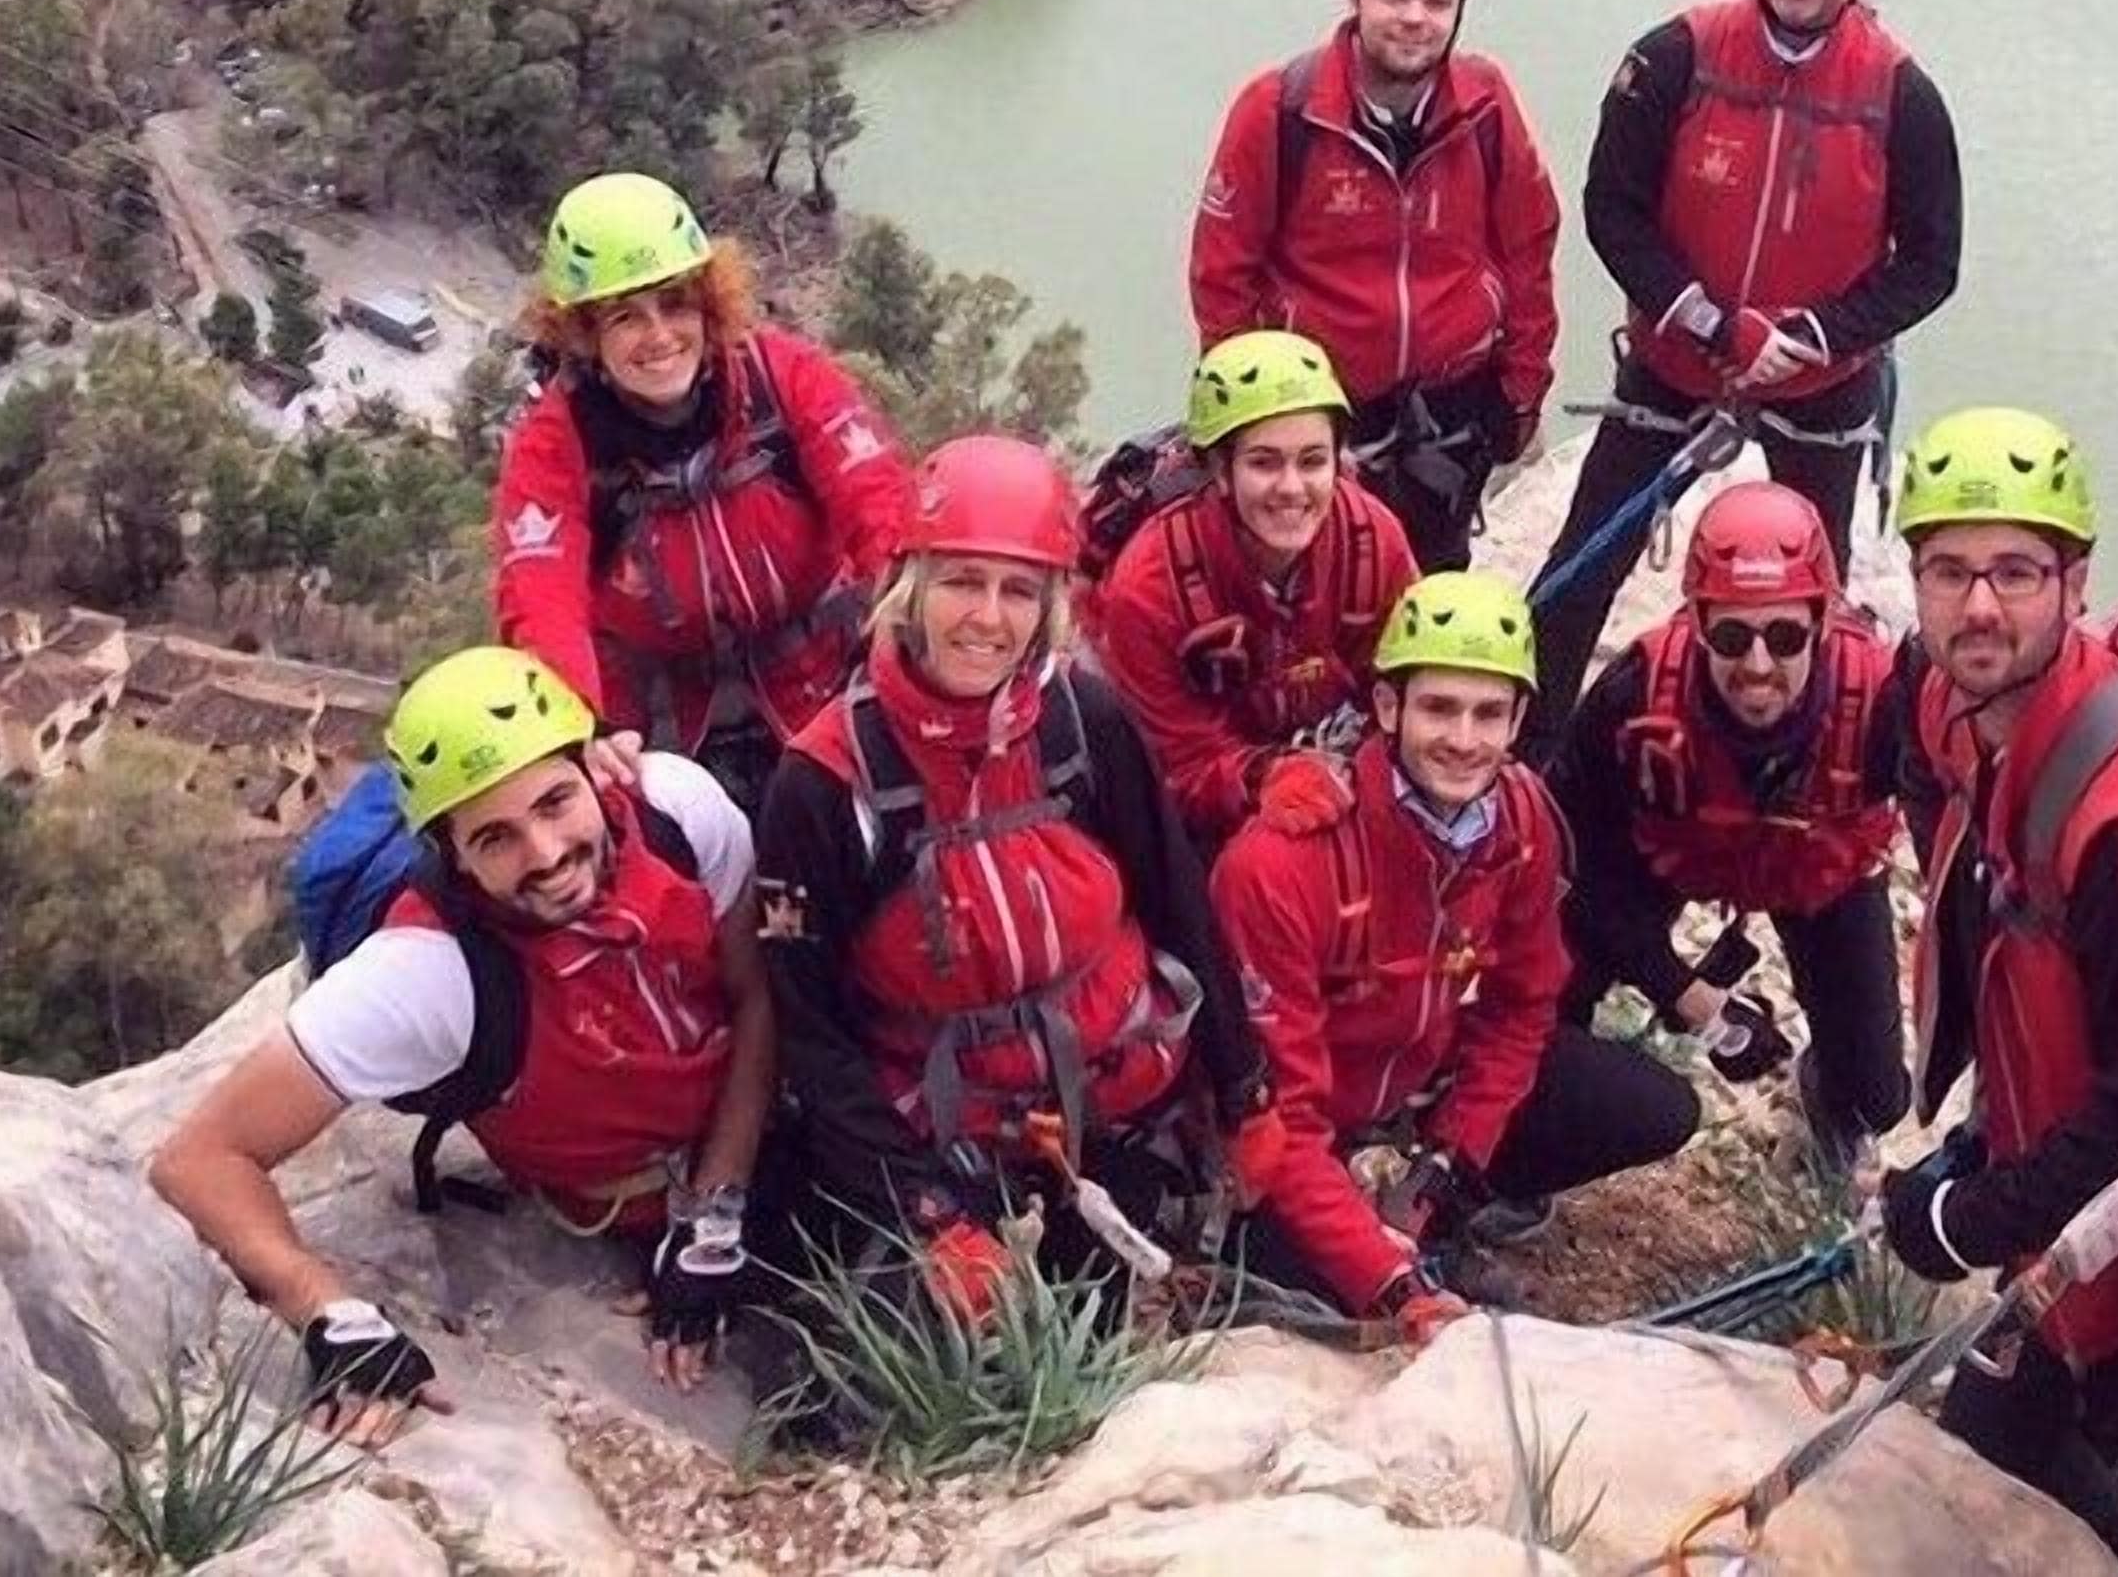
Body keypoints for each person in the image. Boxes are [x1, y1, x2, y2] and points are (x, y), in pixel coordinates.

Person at [150, 648, 775, 1445]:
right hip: (624, 1207)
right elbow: (199, 1158)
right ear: (451, 852)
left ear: (595, 764)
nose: (546, 855)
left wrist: (716, 1210)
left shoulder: (680, 811)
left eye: (555, 802)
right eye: (496, 839)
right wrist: (330, 1312)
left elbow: (756, 996)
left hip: (753, 1134)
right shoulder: (429, 973)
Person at [754, 435, 1283, 1319]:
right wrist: (920, 1210)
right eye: (961, 581)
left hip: (1113, 1110)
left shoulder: (1082, 719)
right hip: (945, 1140)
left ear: (1050, 608)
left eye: (1018, 590)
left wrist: (1242, 1087)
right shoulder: (824, 783)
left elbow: (1173, 892)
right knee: (922, 1366)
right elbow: (811, 1028)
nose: (988, 618)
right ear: (910, 588)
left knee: (1126, 1314)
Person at [1876, 408, 2118, 1577]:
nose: (1977, 607)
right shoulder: (1947, 704)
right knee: (2052, 1428)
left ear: (2074, 583)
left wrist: (1966, 1217)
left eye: (2014, 572)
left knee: (1996, 1451)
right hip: (2045, 1142)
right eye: (1949, 571)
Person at [1530, 0, 1964, 722]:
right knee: (1581, 569)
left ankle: (1808, 784)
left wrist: (1811, 337)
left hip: (1822, 383)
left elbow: (1930, 262)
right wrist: (1710, 324)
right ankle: (1524, 760)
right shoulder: (1674, 58)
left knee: (1815, 600)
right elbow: (1613, 208)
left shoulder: (1900, 93)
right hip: (1678, 364)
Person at [1212, 571, 1699, 1335]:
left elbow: (1523, 1008)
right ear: (1386, 707)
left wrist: (1446, 1164)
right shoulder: (1280, 862)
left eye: (1488, 714)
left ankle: (1436, 1219)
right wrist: (1395, 1287)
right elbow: (1285, 1116)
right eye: (1438, 708)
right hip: (1304, 1127)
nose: (1464, 740)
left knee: (1652, 1105)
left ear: (1518, 723)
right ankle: (1386, 1249)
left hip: (1412, 1089)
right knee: (1314, 1282)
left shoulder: (1522, 819)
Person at [494, 172, 911, 810]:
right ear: (584, 336)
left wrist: (911, 614)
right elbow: (539, 592)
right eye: (625, 317)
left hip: (821, 682)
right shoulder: (556, 443)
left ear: (709, 306)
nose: (659, 335)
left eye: (676, 304)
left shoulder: (781, 377)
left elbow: (877, 495)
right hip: (663, 729)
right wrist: (579, 720)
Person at [1185, 0, 1564, 570]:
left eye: (1436, 1)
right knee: (1312, 582)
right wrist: (1246, 408)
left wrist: (1522, 388)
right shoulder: (1282, 110)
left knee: (1430, 575)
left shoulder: (1485, 106)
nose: (1414, 18)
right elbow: (1223, 273)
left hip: (1450, 406)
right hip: (1314, 402)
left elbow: (1529, 249)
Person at [1554, 480, 1908, 1181]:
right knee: (1549, 979)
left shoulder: (1884, 705)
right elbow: (1569, 865)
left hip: (1818, 866)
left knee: (1878, 1098)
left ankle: (1826, 1099)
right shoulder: (1632, 699)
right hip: (1669, 854)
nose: (1756, 665)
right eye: (1730, 634)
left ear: (1822, 622)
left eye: (1784, 636)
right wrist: (1688, 994)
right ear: (1696, 621)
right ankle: (1539, 1143)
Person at [1092, 330, 1421, 844]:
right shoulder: (1150, 588)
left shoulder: (1373, 544)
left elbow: (1410, 692)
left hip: (1329, 749)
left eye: (1313, 461)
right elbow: (1176, 768)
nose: (1292, 488)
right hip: (1201, 794)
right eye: (1264, 462)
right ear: (1219, 471)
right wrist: (1263, 776)